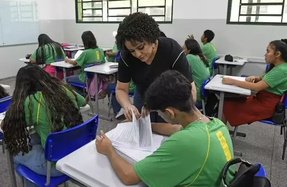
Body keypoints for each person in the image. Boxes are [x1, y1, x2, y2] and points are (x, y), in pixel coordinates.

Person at [96, 70, 234, 186]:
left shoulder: (184, 142)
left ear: (169, 113)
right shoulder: (215, 124)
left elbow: (129, 177)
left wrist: (109, 149)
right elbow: (174, 129)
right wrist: (145, 125)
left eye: (159, 112)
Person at [2, 65, 85, 187]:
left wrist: (17, 103)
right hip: (77, 154)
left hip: (55, 166)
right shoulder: (63, 89)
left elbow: (5, 125)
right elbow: (83, 101)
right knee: (34, 139)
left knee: (15, 154)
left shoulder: (31, 102)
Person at [115, 12, 195, 122]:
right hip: (143, 95)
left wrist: (176, 112)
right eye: (132, 50)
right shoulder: (127, 56)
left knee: (169, 132)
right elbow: (121, 89)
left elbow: (191, 92)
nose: (137, 54)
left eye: (141, 47)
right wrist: (127, 105)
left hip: (170, 102)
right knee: (143, 129)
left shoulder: (171, 50)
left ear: (152, 39)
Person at [222, 40, 287, 126]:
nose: (265, 54)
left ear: (278, 54)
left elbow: (256, 87)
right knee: (228, 101)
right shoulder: (280, 67)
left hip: (265, 105)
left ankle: (221, 135)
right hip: (262, 99)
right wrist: (255, 78)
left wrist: (233, 81)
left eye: (268, 51)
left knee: (225, 105)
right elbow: (263, 78)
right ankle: (221, 133)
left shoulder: (281, 70)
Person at [183, 39, 210, 107]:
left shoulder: (189, 57)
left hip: (196, 98)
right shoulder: (202, 56)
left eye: (183, 48)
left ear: (189, 50)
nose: (182, 51)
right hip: (204, 97)